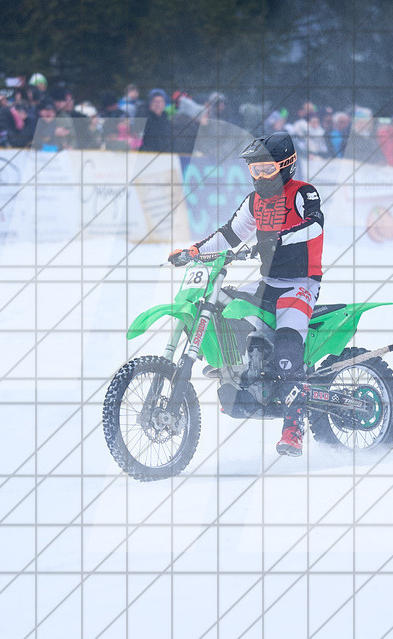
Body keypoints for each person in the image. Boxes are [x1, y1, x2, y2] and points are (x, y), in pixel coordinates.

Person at [166, 132, 324, 457]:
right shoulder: (254, 202)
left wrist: (279, 238)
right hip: (268, 281)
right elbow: (231, 233)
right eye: (255, 171)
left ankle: (293, 429)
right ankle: (234, 370)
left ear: (286, 165)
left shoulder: (303, 192)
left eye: (267, 170)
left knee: (286, 350)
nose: (261, 177)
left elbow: (315, 225)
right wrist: (193, 251)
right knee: (222, 303)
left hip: (300, 283)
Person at [139, 88, 173, 152]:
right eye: (156, 101)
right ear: (150, 103)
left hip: (164, 156)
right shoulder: (144, 119)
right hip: (147, 155)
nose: (158, 104)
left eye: (161, 101)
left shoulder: (166, 121)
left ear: (164, 104)